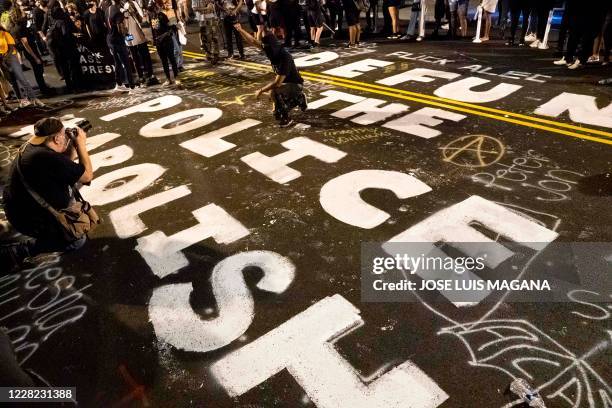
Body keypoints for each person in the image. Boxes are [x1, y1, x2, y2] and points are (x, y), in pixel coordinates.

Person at [2, 117, 94, 255]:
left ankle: (52, 232)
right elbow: (86, 176)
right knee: (76, 241)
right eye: (63, 134)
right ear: (57, 138)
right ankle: (23, 250)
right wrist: (81, 144)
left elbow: (66, 168)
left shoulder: (32, 147)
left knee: (69, 203)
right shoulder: (46, 157)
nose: (66, 136)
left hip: (17, 210)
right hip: (27, 219)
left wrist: (71, 145)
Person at [234, 25, 307, 127]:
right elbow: (253, 41)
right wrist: (240, 30)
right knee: (276, 111)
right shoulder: (270, 48)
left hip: (296, 85)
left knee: (274, 91)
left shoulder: (285, 57)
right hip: (286, 84)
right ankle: (299, 99)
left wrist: (261, 90)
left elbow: (277, 83)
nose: (268, 51)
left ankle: (286, 119)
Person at [11, 1, 52, 95]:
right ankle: (44, 89)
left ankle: (44, 87)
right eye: (22, 10)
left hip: (31, 49)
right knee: (38, 68)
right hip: (30, 51)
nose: (24, 11)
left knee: (39, 68)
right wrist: (35, 57)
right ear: (18, 13)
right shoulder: (20, 26)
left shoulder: (19, 24)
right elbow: (25, 43)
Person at [0, 26, 44, 107]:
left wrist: (5, 57)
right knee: (12, 81)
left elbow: (11, 48)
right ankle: (22, 100)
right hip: (1, 61)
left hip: (10, 58)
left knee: (21, 79)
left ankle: (34, 99)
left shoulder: (5, 34)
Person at [123, 0, 158, 86]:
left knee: (137, 58)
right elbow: (140, 19)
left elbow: (126, 28)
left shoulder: (127, 7)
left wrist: (128, 40)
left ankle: (143, 76)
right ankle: (148, 74)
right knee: (143, 56)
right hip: (138, 37)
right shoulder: (131, 6)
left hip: (134, 38)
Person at [105, 0, 135, 90]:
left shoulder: (107, 10)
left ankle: (119, 83)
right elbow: (121, 29)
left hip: (110, 39)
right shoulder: (117, 11)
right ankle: (131, 85)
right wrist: (129, 37)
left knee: (117, 62)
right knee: (126, 63)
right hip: (118, 41)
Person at [149, 0, 179, 84]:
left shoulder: (163, 15)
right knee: (164, 61)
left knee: (172, 59)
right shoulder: (152, 17)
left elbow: (171, 28)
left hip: (167, 41)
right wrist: (154, 40)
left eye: (153, 8)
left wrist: (165, 35)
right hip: (159, 43)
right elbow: (153, 30)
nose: (151, 11)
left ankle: (176, 77)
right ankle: (168, 79)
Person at [193, 0, 221, 64]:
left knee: (215, 37)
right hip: (203, 20)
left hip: (212, 18)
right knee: (207, 38)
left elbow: (213, 4)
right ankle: (209, 55)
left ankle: (216, 54)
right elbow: (194, 8)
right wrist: (206, 8)